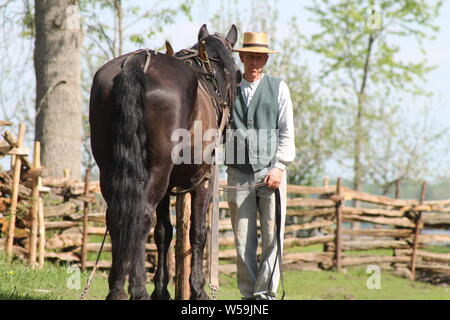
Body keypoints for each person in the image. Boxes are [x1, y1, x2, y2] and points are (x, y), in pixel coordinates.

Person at [224, 31, 295, 300]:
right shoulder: (229, 89)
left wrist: (279, 167)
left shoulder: (279, 88)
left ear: (266, 59)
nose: (255, 62)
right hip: (238, 174)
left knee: (272, 239)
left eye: (260, 57)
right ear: (241, 57)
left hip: (271, 173)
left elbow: (287, 133)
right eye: (250, 56)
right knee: (242, 241)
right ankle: (247, 297)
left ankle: (265, 296)